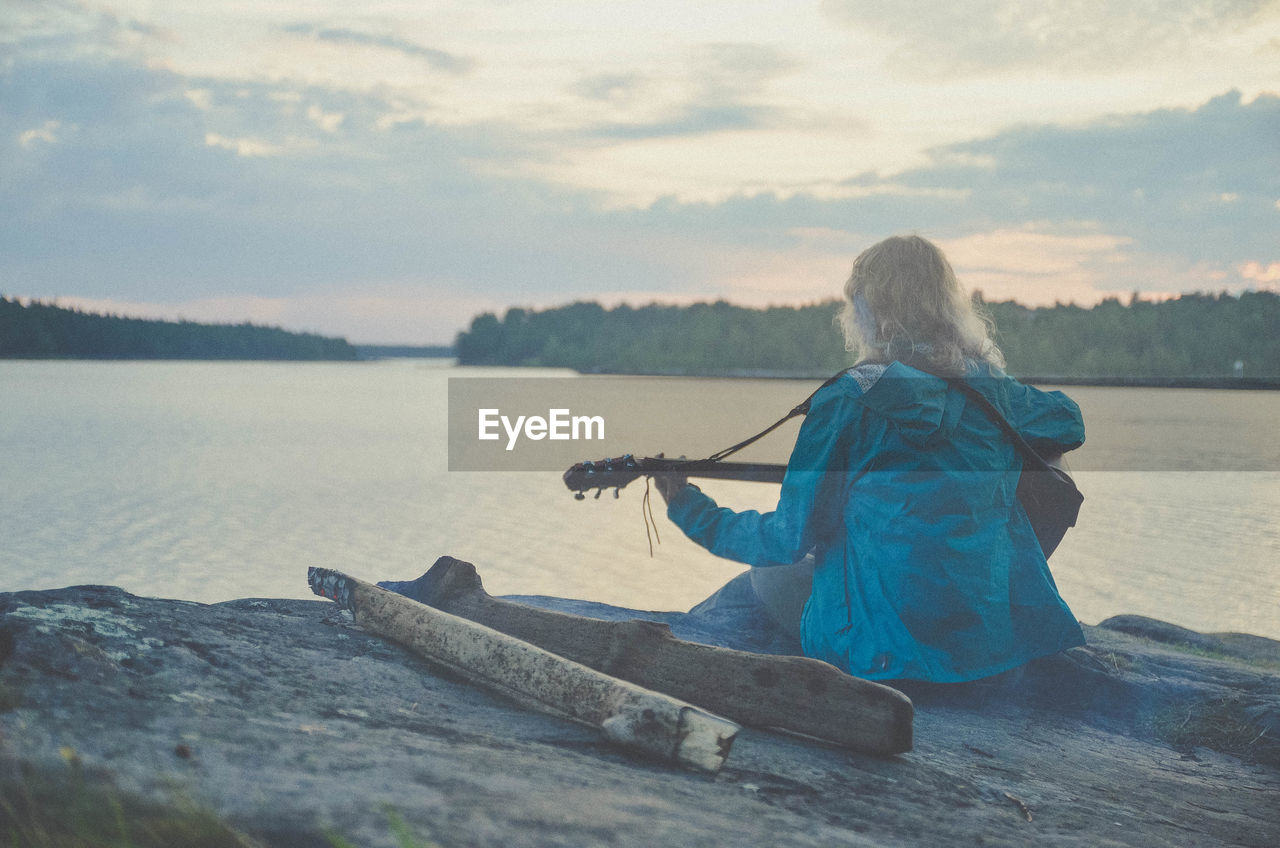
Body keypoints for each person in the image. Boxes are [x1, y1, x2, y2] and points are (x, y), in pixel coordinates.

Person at [654, 234, 1086, 684]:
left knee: (763, 580)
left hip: (881, 654)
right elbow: (1068, 420)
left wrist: (689, 508)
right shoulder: (996, 393)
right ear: (946, 307)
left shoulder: (848, 400)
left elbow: (787, 539)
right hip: (985, 648)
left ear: (867, 311)